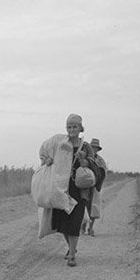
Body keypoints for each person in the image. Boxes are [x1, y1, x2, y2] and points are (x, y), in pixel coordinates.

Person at [38, 114, 103, 267]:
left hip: (79, 190)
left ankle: (72, 254)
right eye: (69, 126)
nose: (72, 129)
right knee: (63, 223)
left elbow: (94, 166)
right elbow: (45, 153)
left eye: (75, 126)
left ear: (81, 128)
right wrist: (46, 160)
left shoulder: (85, 146)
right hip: (61, 189)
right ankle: (71, 247)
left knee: (74, 221)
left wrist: (84, 160)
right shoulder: (60, 143)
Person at [82, 138, 108, 237]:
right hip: (85, 186)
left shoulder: (100, 160)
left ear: (98, 149)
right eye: (92, 147)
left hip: (96, 186)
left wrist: (98, 184)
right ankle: (82, 228)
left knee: (94, 207)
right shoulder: (85, 158)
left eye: (95, 147)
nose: (93, 149)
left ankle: (90, 228)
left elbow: (103, 172)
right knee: (84, 207)